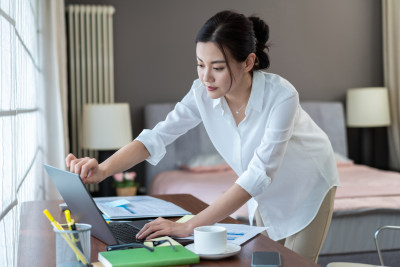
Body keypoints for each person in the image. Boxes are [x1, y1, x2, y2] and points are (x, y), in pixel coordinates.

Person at [66, 10, 340, 263]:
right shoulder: (201, 93)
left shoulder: (282, 96)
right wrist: (102, 170)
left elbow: (258, 175)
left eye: (218, 68)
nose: (206, 77)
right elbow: (157, 137)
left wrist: (189, 225)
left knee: (295, 264)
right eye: (200, 64)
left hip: (308, 186)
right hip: (264, 195)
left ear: (248, 62)